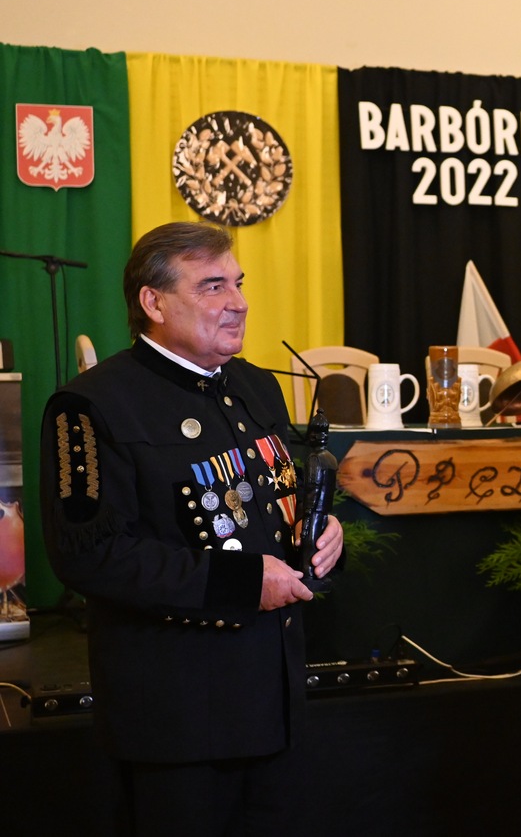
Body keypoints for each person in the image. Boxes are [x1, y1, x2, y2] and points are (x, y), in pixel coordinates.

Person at [40, 221, 344, 837]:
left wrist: (321, 529)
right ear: (153, 303)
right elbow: (90, 555)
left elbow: (268, 500)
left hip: (275, 699)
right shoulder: (91, 405)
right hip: (178, 717)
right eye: (212, 286)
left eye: (238, 283)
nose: (238, 302)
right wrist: (241, 582)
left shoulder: (257, 385)